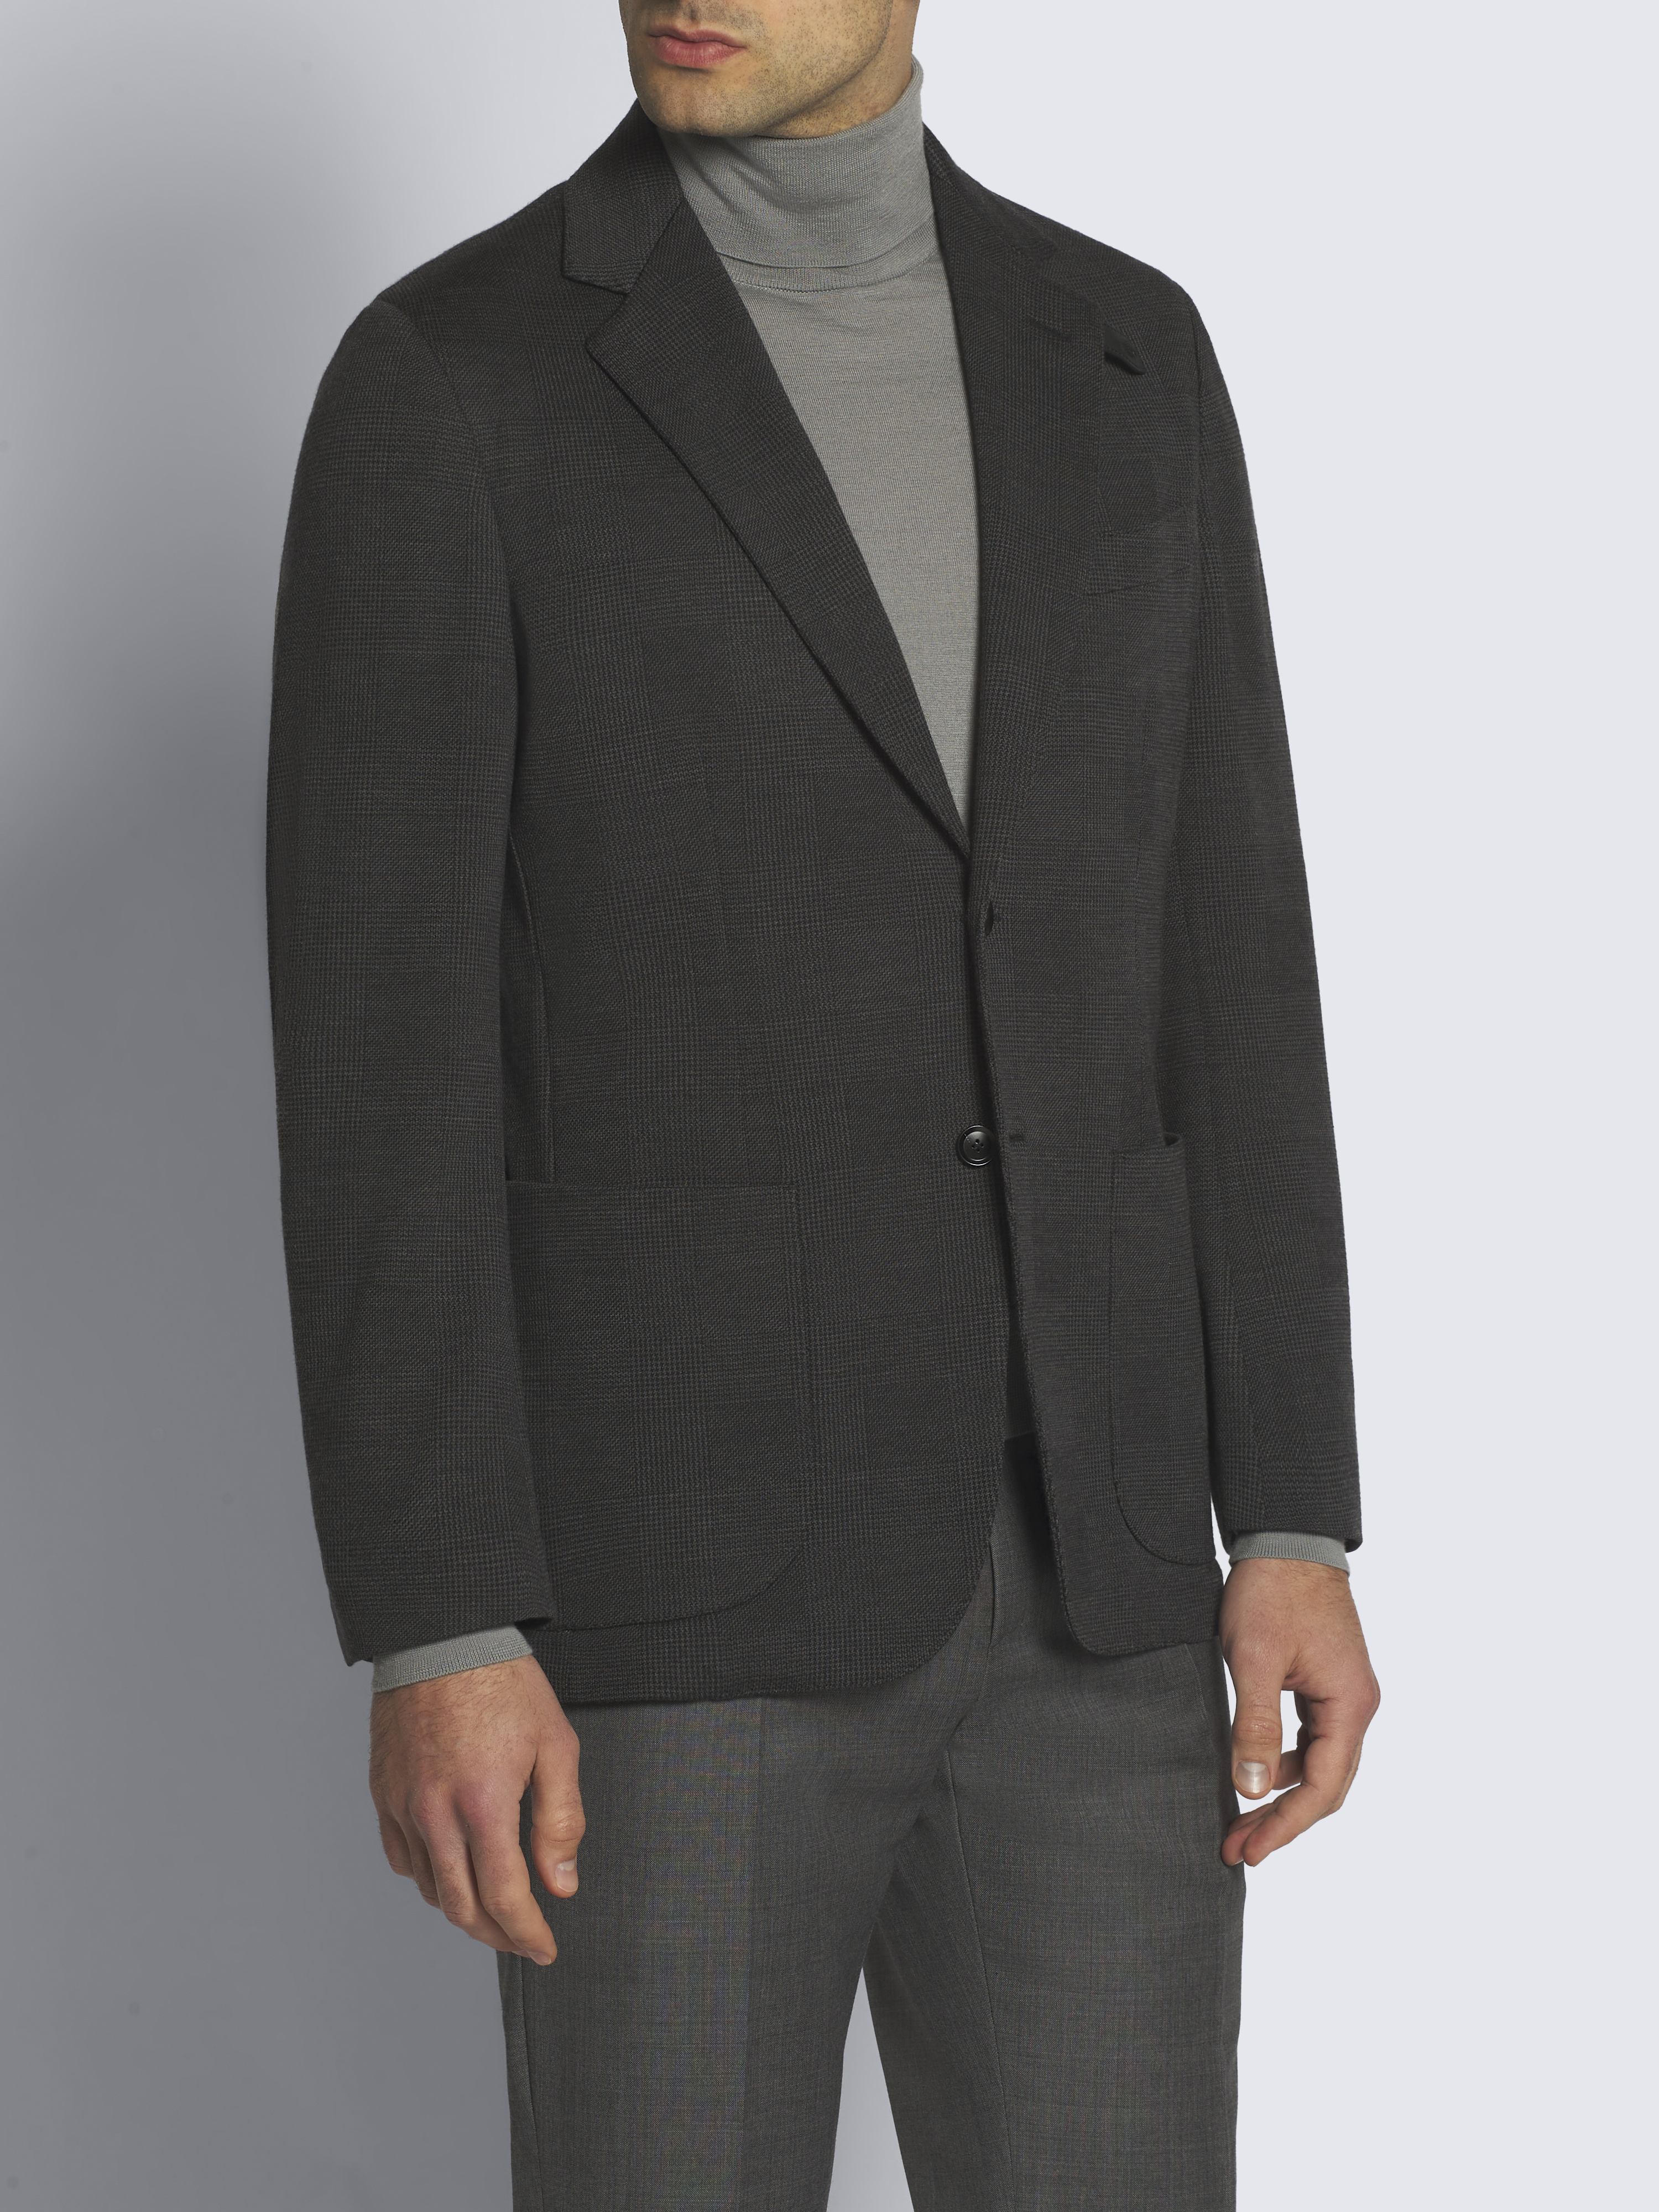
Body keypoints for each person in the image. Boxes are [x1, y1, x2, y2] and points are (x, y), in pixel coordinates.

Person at [267, 3, 1380, 2204]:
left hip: (1106, 1586)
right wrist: (440, 1617)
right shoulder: (453, 377)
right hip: (667, 1603)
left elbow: (1231, 952)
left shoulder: (1129, 353)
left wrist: (1295, 1515)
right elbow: (377, 1049)